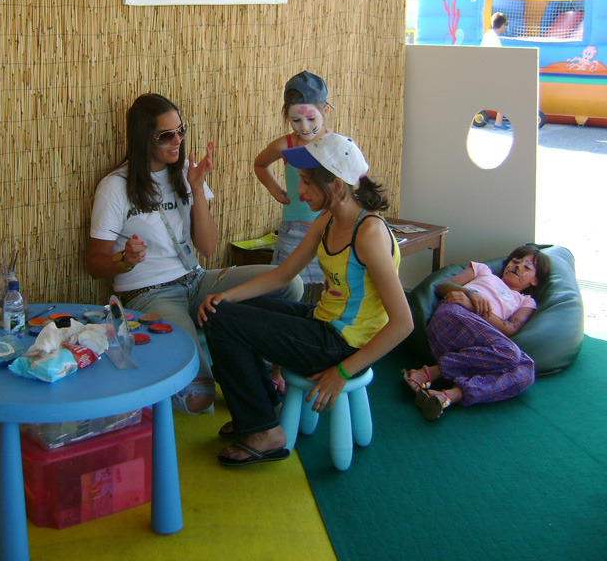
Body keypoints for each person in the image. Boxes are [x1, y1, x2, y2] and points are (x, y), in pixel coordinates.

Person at [197, 133, 413, 466]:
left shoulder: (368, 234)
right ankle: (264, 411)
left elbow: (402, 323)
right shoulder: (328, 219)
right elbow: (283, 274)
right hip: (323, 325)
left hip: (343, 346)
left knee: (222, 321)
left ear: (337, 186)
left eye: (308, 182)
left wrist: (342, 372)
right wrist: (225, 295)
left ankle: (264, 432)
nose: (299, 191)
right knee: (221, 310)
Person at [87, 93, 303, 415]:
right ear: (143, 137)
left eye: (181, 131)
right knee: (198, 399)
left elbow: (207, 247)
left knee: (289, 284)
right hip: (149, 293)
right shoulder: (115, 187)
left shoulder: (186, 172)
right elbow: (94, 264)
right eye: (166, 135)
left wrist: (198, 189)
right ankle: (225, 365)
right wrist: (124, 260)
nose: (177, 141)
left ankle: (251, 362)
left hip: (197, 280)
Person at [402, 244, 551, 421]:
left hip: (478, 348)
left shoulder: (525, 301)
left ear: (535, 281)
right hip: (453, 317)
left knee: (526, 369)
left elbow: (510, 328)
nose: (518, 266)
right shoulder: (484, 271)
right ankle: (430, 373)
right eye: (515, 261)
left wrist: (473, 307)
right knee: (510, 353)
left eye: (527, 267)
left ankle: (448, 395)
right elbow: (443, 286)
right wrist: (471, 293)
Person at [253, 70, 332, 393]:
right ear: (286, 116)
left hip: (327, 231)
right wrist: (275, 190)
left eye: (311, 118)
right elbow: (260, 164)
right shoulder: (285, 145)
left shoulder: (335, 145)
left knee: (325, 295)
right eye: (295, 120)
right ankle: (277, 368)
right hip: (292, 231)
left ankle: (320, 360)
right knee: (285, 292)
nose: (304, 127)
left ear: (325, 110)